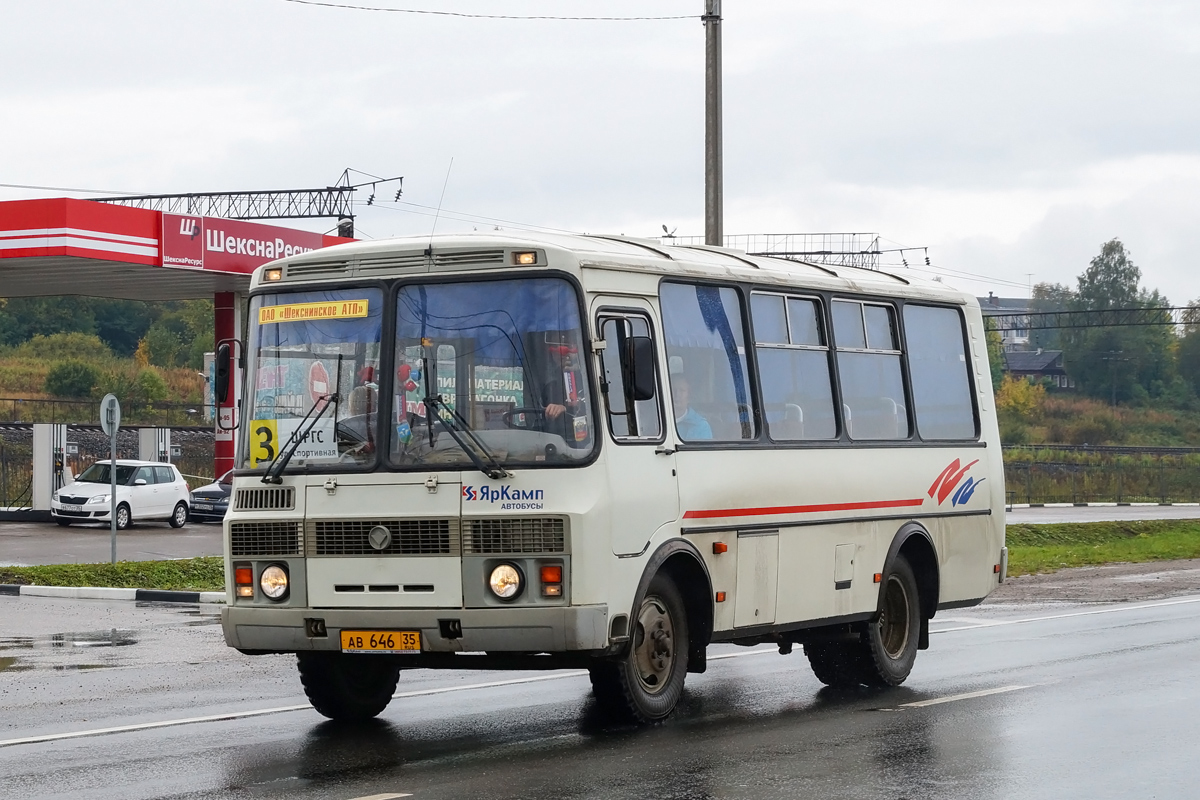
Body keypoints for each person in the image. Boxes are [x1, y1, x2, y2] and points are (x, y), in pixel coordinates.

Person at [672, 376, 712, 440]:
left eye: (682, 390)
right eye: (673, 390)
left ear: (689, 396)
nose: (677, 394)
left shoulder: (701, 426)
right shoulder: (654, 421)